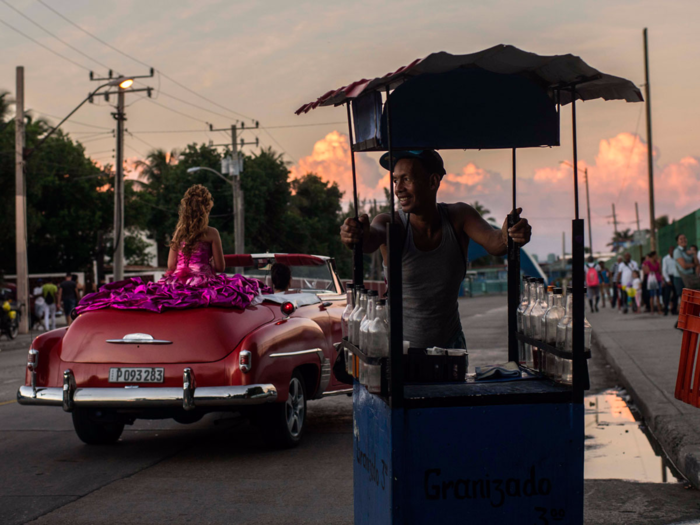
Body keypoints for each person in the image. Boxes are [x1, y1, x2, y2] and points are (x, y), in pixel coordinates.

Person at [340, 149, 531, 349]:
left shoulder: (459, 216)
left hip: (451, 349)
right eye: (395, 180)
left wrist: (510, 234)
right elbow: (369, 239)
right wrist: (355, 234)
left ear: (433, 182)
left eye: (406, 179)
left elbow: (495, 243)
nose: (398, 189)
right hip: (399, 351)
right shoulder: (392, 222)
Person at [76, 185, 271, 314]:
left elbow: (170, 266)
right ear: (206, 209)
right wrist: (209, 263)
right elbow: (220, 267)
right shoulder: (211, 233)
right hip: (201, 282)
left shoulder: (178, 233)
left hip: (176, 281)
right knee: (242, 288)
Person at [662, 246, 678, 315]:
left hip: (676, 277)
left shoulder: (677, 258)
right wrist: (667, 280)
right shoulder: (665, 259)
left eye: (673, 251)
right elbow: (664, 270)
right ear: (669, 251)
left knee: (676, 294)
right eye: (671, 251)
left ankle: (674, 310)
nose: (672, 252)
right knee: (667, 295)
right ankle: (665, 310)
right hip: (668, 277)